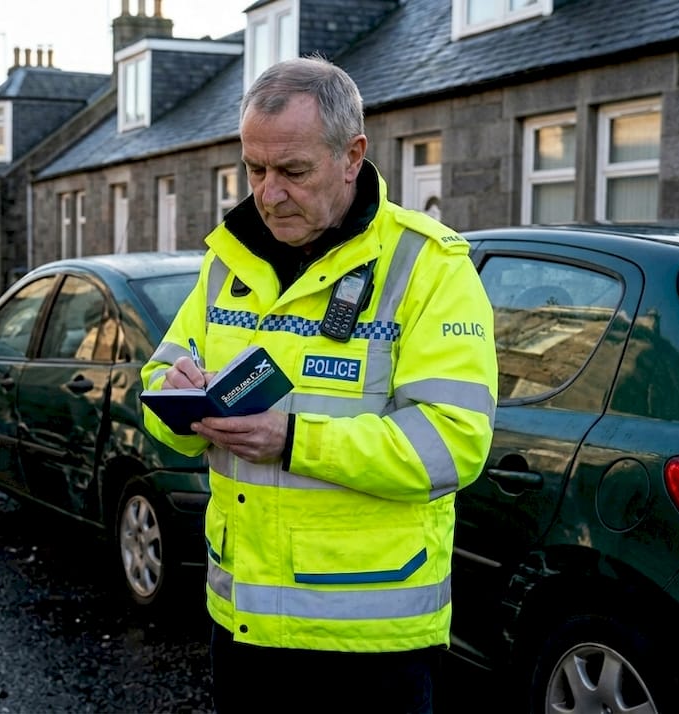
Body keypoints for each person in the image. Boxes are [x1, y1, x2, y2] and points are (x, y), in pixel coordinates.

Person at [140, 56, 498, 713]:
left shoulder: (430, 267)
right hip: (244, 625)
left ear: (352, 156)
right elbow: (159, 388)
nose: (268, 194)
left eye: (293, 171)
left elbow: (452, 445)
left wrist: (291, 440)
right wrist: (177, 395)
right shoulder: (227, 262)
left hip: (371, 642)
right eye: (255, 169)